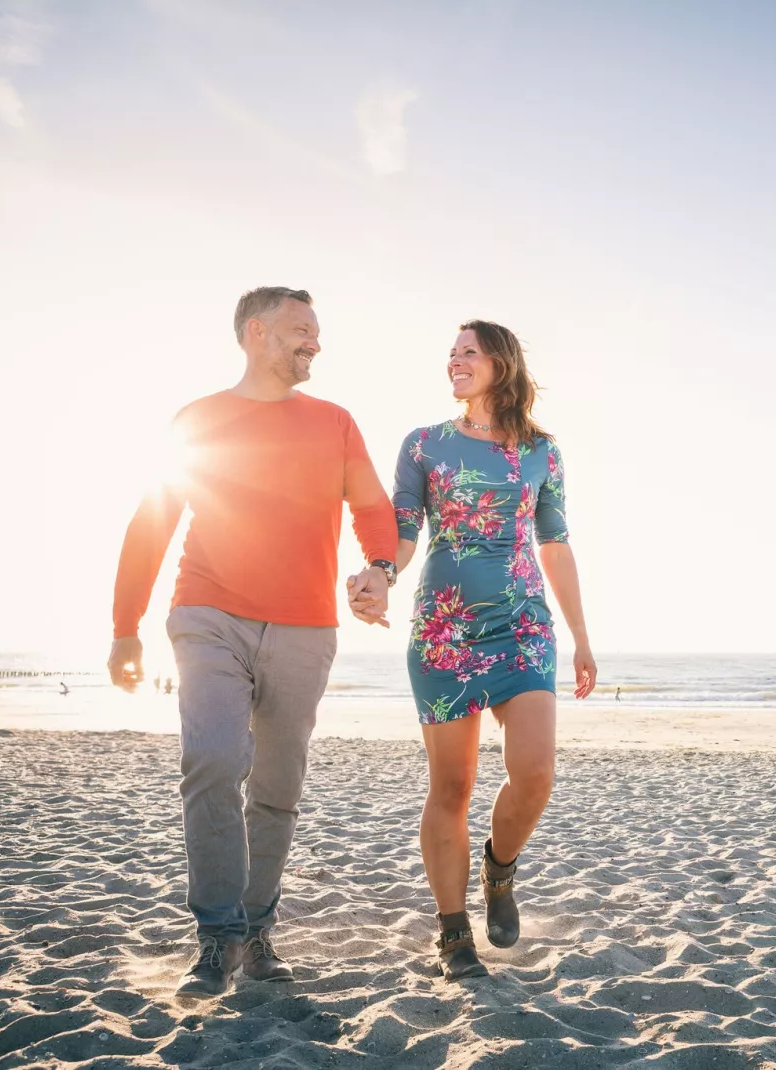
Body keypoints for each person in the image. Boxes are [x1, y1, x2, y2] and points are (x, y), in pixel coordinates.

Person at [109, 287, 397, 998]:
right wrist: (124, 628)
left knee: (277, 784)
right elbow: (152, 524)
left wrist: (380, 571)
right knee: (211, 759)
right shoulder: (200, 420)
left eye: (319, 332)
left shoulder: (334, 423)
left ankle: (256, 928)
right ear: (258, 333)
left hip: (305, 626)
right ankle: (216, 935)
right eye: (303, 330)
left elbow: (371, 507)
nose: (316, 344)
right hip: (209, 613)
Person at [371, 320, 596, 981]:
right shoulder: (424, 446)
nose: (454, 360)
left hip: (524, 626)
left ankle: (499, 870)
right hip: (445, 629)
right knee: (453, 785)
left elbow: (554, 543)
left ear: (500, 362)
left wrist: (581, 635)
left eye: (467, 351)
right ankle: (452, 933)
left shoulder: (542, 453)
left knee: (535, 774)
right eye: (451, 352)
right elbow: (404, 532)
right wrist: (380, 575)